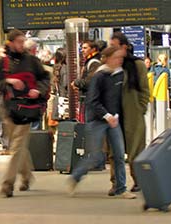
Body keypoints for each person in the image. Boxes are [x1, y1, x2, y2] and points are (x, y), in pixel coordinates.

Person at [69, 46, 136, 199]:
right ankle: (75, 177)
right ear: (108, 58)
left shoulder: (120, 75)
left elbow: (119, 99)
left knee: (119, 154)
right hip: (97, 119)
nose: (119, 60)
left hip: (114, 119)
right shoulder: (99, 76)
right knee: (95, 156)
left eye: (121, 58)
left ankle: (121, 188)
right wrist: (107, 116)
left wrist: (117, 116)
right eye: (116, 57)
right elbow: (93, 101)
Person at [0, 29, 50, 198]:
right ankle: (26, 176)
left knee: (16, 147)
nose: (21, 45)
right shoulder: (2, 63)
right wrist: (8, 81)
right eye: (18, 41)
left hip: (27, 109)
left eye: (23, 41)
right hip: (8, 109)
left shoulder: (32, 61)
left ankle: (7, 184)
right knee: (19, 146)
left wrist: (37, 90)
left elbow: (45, 78)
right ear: (10, 43)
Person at [109, 32, 149, 193]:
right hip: (113, 115)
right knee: (114, 152)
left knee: (136, 151)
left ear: (124, 47)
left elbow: (144, 90)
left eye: (114, 46)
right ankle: (117, 183)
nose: (111, 49)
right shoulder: (110, 65)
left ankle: (139, 180)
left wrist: (141, 108)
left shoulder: (137, 65)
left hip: (133, 114)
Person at [71, 40, 101, 122]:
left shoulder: (94, 63)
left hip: (91, 100)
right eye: (82, 48)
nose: (82, 50)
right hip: (89, 99)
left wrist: (76, 83)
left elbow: (90, 82)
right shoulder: (91, 62)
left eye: (85, 48)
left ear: (93, 49)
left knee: (89, 125)